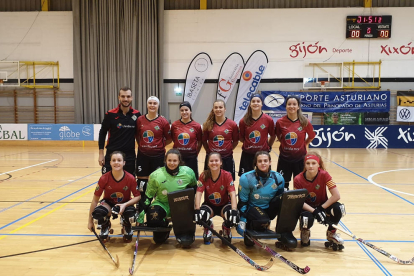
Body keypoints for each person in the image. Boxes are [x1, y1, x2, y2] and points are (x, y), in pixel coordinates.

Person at [137, 149, 197, 245]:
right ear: (165, 160)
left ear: (179, 161)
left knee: (187, 242)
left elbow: (194, 189)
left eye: (174, 161)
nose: (172, 163)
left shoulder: (188, 172)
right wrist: (142, 211)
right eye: (169, 160)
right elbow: (148, 196)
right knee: (153, 219)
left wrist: (191, 208)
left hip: (180, 205)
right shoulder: (155, 175)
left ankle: (182, 228)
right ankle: (165, 226)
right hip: (162, 203)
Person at [294, 152, 346, 249]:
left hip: (322, 205)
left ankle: (331, 232)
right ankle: (305, 232)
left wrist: (321, 208)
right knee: (306, 218)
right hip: (307, 208)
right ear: (304, 165)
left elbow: (336, 196)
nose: (310, 166)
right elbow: (299, 201)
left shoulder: (324, 175)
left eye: (313, 163)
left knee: (339, 208)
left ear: (319, 164)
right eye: (308, 163)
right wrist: (315, 211)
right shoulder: (298, 179)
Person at [88, 151, 141, 242]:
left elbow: (138, 197)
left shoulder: (130, 178)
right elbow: (95, 200)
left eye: (119, 160)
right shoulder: (104, 178)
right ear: (110, 163)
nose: (116, 162)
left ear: (124, 163)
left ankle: (126, 224)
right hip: (108, 203)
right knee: (98, 212)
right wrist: (90, 221)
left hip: (125, 203)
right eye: (114, 160)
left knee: (131, 214)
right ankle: (105, 224)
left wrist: (125, 205)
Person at [237, 151, 285, 246]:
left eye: (265, 161)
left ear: (270, 162)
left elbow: (280, 198)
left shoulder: (278, 178)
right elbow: (242, 201)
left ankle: (284, 233)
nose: (263, 163)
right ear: (256, 163)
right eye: (260, 161)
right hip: (253, 209)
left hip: (268, 209)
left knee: (284, 200)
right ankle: (252, 225)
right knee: (261, 220)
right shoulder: (246, 178)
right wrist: (242, 220)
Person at [194, 152, 239, 244]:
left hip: (224, 205)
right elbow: (198, 193)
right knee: (201, 215)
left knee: (232, 215)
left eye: (216, 161)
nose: (214, 163)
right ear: (208, 163)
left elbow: (232, 194)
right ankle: (208, 227)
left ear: (221, 162)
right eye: (211, 161)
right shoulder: (204, 175)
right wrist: (197, 210)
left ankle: (226, 228)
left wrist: (234, 210)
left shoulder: (227, 175)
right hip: (210, 206)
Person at [135, 96, 171, 202]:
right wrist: (143, 145)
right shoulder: (140, 120)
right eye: (150, 103)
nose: (152, 105)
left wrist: (159, 145)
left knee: (158, 181)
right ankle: (141, 206)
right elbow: (137, 136)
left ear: (158, 106)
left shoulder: (163, 121)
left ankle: (157, 205)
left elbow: (169, 139)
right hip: (143, 156)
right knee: (142, 183)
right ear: (147, 105)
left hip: (158, 157)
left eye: (154, 103)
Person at [275, 95, 315, 189]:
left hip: (300, 158)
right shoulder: (280, 122)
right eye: (289, 104)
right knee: (283, 185)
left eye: (294, 104)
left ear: (298, 107)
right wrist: (284, 143)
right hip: (284, 159)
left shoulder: (305, 121)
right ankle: (284, 202)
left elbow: (312, 136)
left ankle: (299, 203)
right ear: (286, 106)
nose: (291, 106)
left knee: (300, 185)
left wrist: (304, 144)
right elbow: (278, 136)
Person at [98, 87, 141, 175]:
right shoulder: (110, 114)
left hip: (129, 156)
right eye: (123, 96)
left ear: (131, 98)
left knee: (130, 183)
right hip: (112, 155)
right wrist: (101, 154)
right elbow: (102, 133)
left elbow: (138, 135)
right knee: (109, 183)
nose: (126, 99)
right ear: (119, 97)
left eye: (128, 96)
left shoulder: (137, 114)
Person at [239, 93, 276, 176]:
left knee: (264, 178)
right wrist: (249, 144)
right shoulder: (243, 121)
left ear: (262, 104)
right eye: (253, 101)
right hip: (247, 155)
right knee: (246, 179)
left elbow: (273, 136)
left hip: (262, 154)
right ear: (250, 104)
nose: (255, 103)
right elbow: (241, 137)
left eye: (258, 101)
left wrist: (268, 146)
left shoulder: (268, 119)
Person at [202, 100, 239, 180]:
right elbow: (204, 141)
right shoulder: (208, 124)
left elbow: (235, 141)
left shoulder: (232, 124)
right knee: (209, 180)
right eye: (216, 107)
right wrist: (210, 151)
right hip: (212, 159)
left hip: (226, 158)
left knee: (228, 181)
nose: (218, 109)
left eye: (220, 107)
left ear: (225, 109)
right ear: (213, 109)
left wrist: (228, 149)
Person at [171, 101, 202, 176]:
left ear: (190, 111)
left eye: (186, 110)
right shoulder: (175, 125)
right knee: (177, 178)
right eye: (182, 110)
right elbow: (173, 138)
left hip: (191, 157)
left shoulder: (196, 126)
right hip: (178, 157)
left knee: (192, 178)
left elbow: (200, 141)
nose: (184, 112)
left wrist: (195, 152)